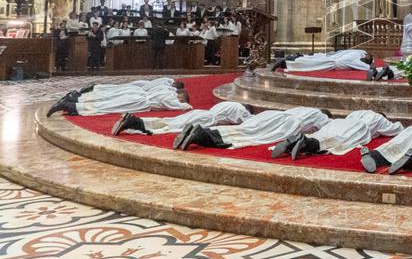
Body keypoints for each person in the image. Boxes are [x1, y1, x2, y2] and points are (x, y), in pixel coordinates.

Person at [175, 106, 332, 151]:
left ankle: (203, 132)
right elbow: (320, 129)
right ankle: (201, 135)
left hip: (273, 114)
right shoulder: (321, 115)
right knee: (248, 136)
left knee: (244, 129)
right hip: (284, 124)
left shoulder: (303, 108)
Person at [271, 109, 404, 160]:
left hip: (339, 122)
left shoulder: (358, 111)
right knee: (337, 141)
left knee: (322, 135)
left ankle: (295, 143)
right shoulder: (379, 118)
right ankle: (307, 144)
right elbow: (396, 129)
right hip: (357, 128)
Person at [47, 79, 190, 117]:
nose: (180, 101)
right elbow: (173, 105)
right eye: (181, 98)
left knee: (107, 100)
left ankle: (74, 100)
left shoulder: (166, 88)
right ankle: (72, 105)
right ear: (179, 94)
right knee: (107, 105)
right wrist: (186, 105)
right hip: (138, 101)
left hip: (138, 96)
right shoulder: (170, 95)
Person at [113, 101, 253, 137]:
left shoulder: (227, 103)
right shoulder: (240, 109)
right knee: (171, 126)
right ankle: (136, 123)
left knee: (171, 121)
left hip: (201, 113)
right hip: (206, 119)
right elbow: (247, 121)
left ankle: (135, 122)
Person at [279, 49, 374, 73]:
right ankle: (291, 62)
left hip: (332, 60)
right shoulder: (356, 57)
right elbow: (367, 67)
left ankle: (295, 59)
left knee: (313, 62)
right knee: (312, 65)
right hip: (332, 62)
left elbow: (366, 65)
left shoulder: (358, 54)